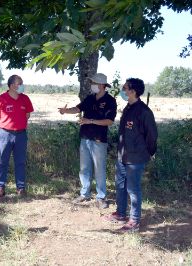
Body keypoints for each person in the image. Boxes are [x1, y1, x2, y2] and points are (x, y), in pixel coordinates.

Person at [105, 78, 157, 232]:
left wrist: (149, 152)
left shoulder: (144, 112)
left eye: (125, 88)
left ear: (133, 91)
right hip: (122, 155)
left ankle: (134, 221)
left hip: (136, 158)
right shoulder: (128, 108)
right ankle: (121, 213)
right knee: (120, 185)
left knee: (133, 189)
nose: (123, 90)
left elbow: (152, 136)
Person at [59, 73, 117, 209]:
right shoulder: (90, 98)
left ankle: (101, 197)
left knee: (99, 169)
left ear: (102, 85)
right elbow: (78, 108)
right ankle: (84, 194)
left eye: (94, 83)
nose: (92, 85)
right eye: (92, 83)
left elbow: (109, 121)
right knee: (84, 168)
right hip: (85, 138)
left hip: (99, 140)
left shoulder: (110, 101)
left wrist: (89, 121)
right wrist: (65, 111)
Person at [0, 75, 34, 197]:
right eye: (19, 83)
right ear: (11, 86)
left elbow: (27, 115)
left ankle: (21, 188)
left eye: (22, 83)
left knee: (20, 162)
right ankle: (0, 187)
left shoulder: (25, 99)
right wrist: (4, 125)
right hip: (5, 134)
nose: (21, 85)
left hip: (21, 135)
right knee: (2, 161)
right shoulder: (1, 99)